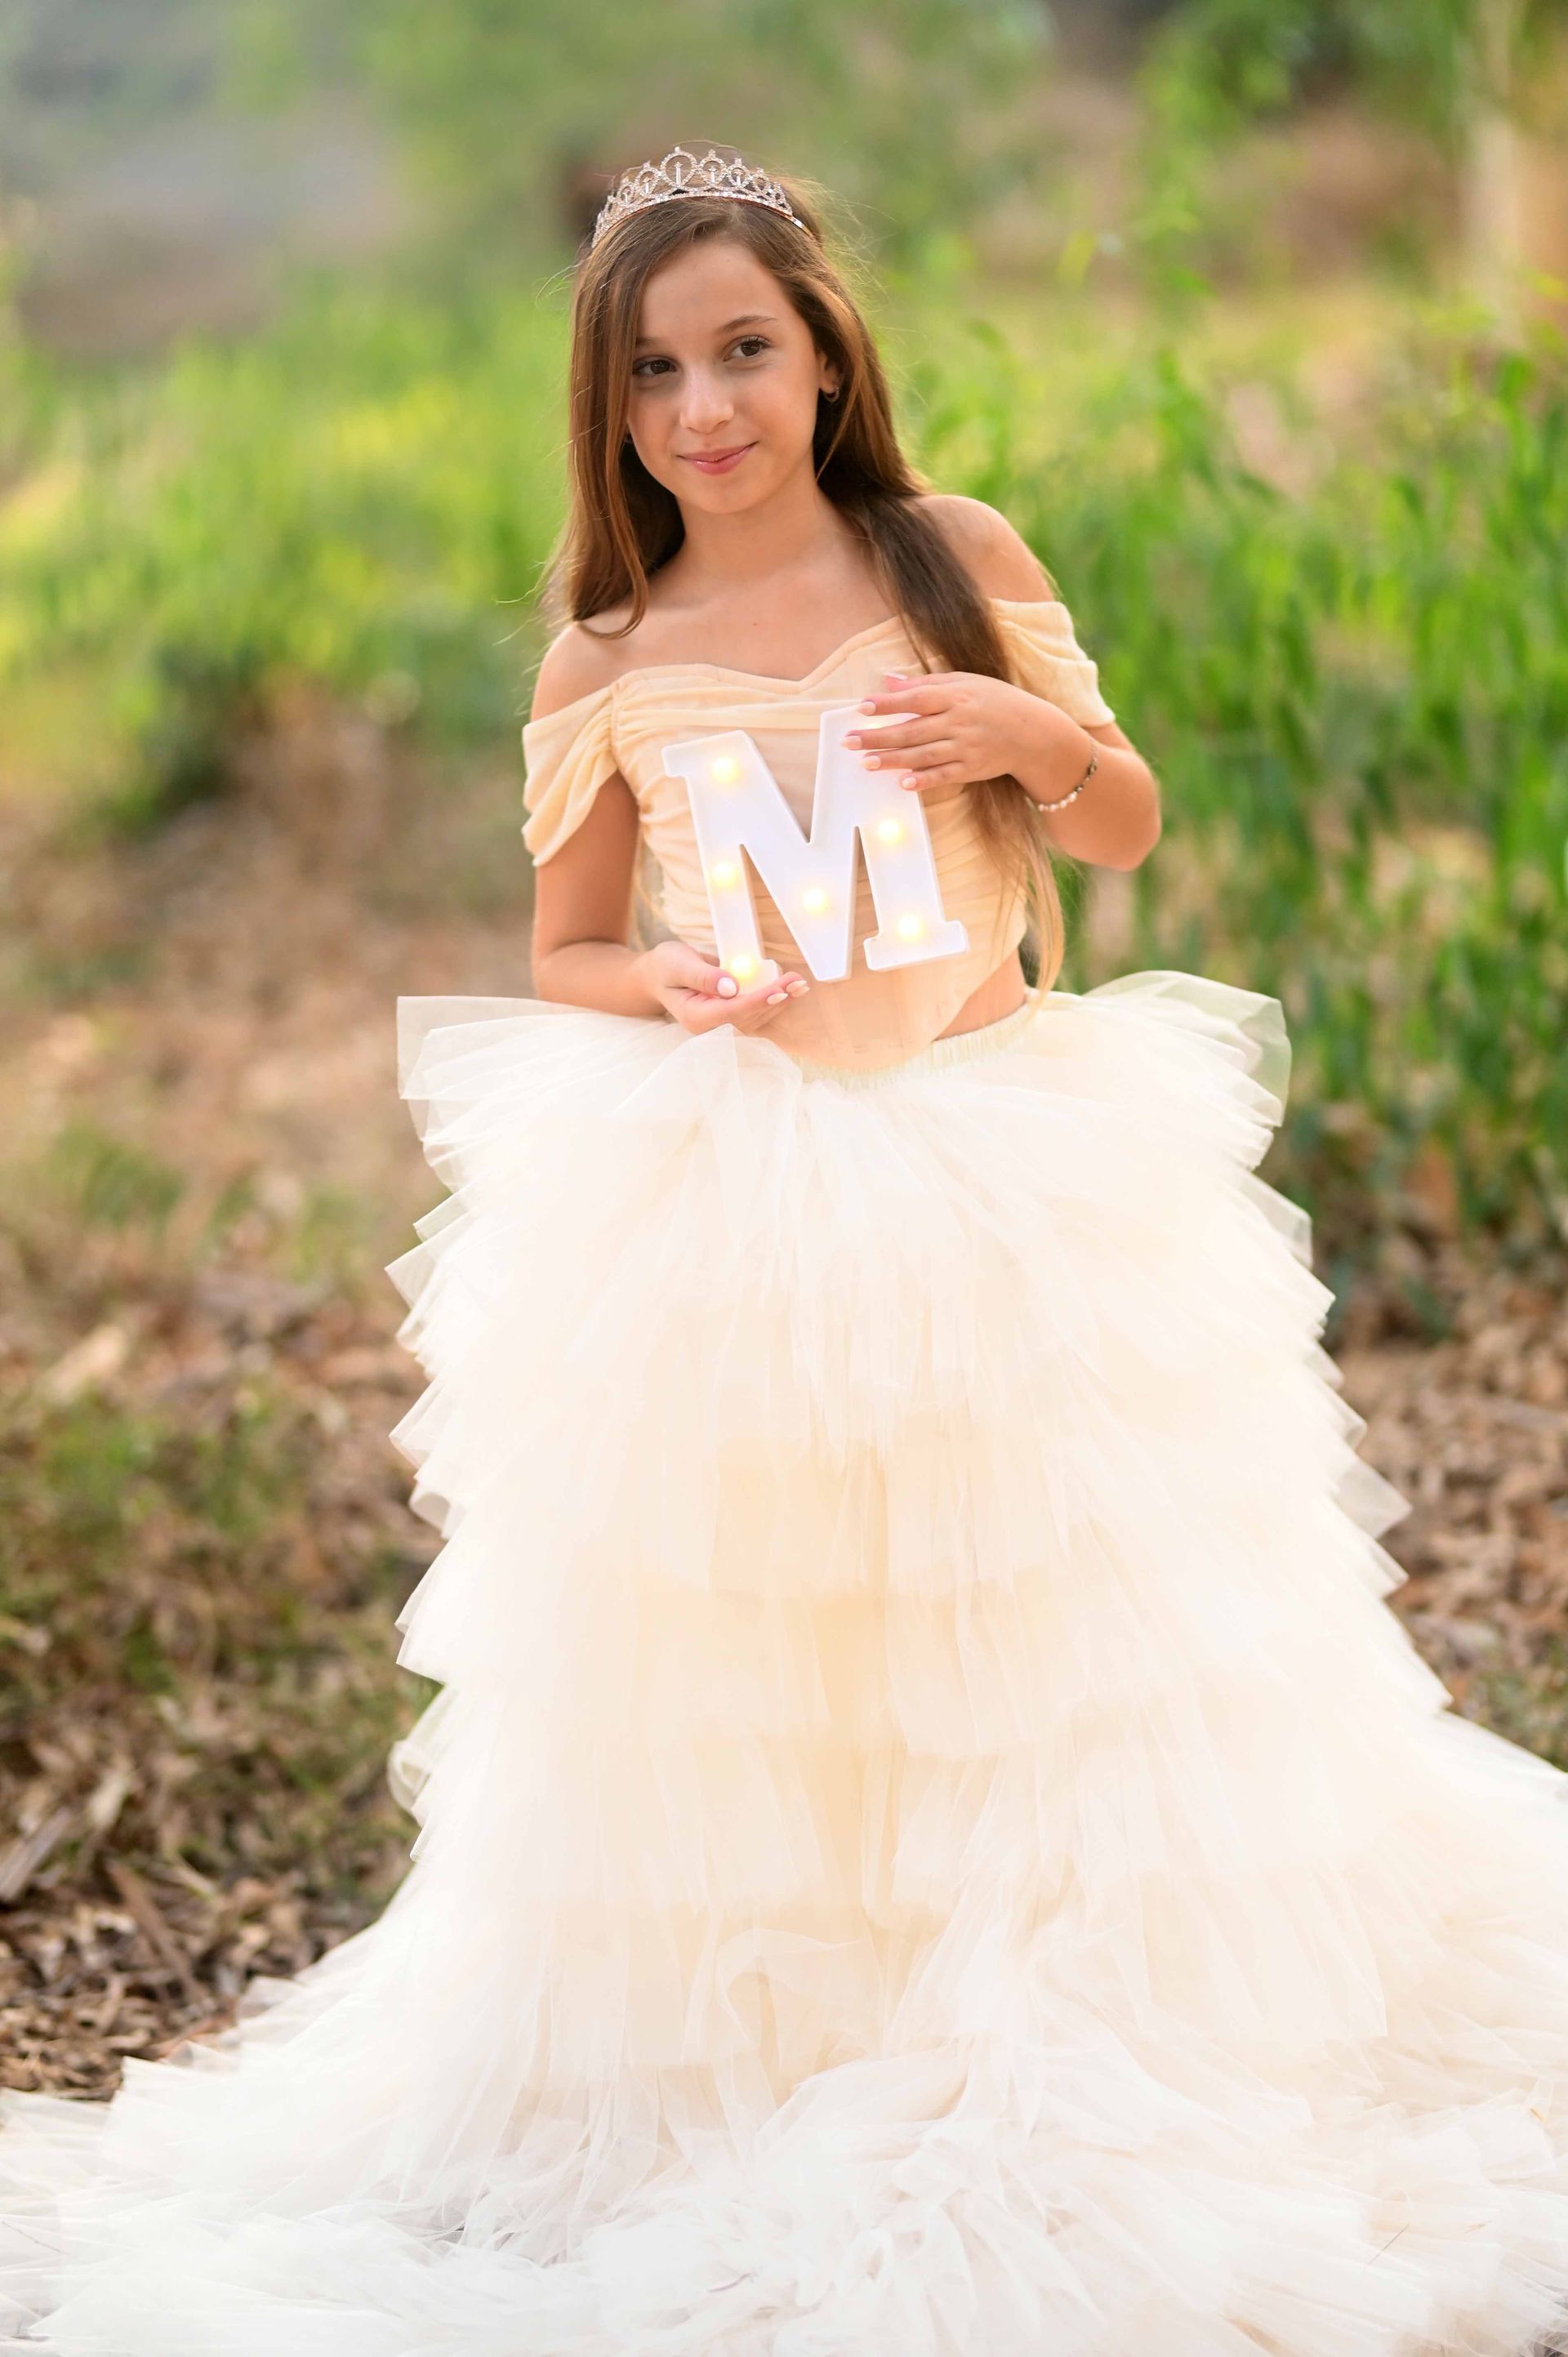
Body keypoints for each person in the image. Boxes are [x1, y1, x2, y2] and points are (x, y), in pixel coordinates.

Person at [3, 143, 1568, 2357]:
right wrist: (672, 987)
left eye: (743, 349)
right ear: (609, 405)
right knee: (772, 1632)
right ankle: (801, 2017)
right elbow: (564, 949)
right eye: (654, 372)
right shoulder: (610, 655)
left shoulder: (950, 558)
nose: (705, 406)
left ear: (826, 352)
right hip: (743, 1182)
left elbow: (1120, 822)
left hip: (1009, 1152)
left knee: (1055, 1607)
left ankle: (1075, 1998)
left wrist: (1027, 732)